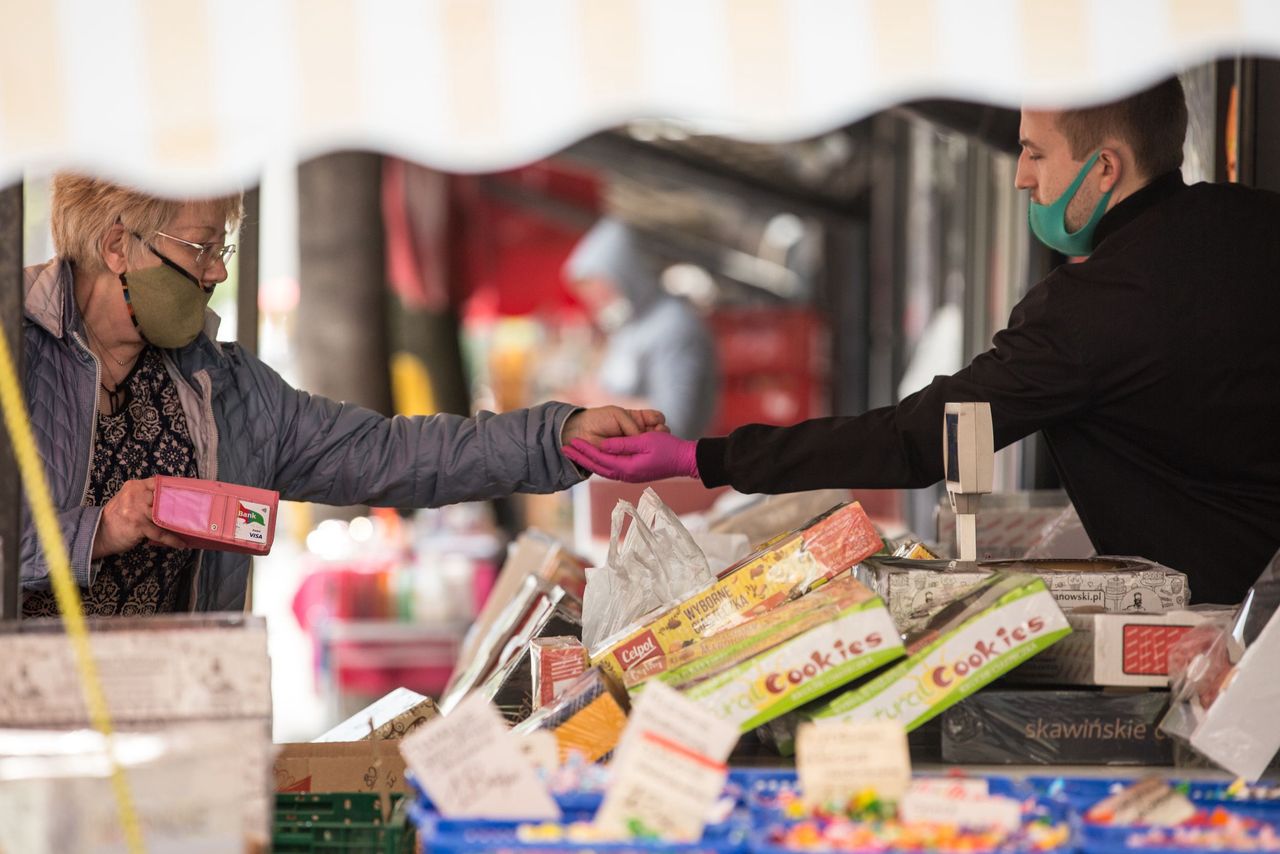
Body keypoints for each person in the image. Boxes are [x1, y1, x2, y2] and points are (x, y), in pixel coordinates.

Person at [565, 78, 1280, 606]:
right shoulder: (1258, 222)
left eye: (1035, 153)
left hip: (1232, 627)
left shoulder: (1089, 314)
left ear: (1105, 168)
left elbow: (914, 440)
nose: (1022, 177)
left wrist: (703, 457)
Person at [20, 175, 665, 616]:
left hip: (184, 714)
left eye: (223, 247)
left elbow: (389, 453)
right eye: (201, 247)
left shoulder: (227, 386)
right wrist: (99, 530)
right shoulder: (12, 358)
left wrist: (555, 436)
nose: (218, 270)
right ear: (117, 246)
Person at [562, 218, 718, 439]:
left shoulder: (674, 326)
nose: (599, 307)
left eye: (604, 295)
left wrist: (602, 403)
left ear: (624, 275)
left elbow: (676, 421)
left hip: (671, 458)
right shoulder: (630, 326)